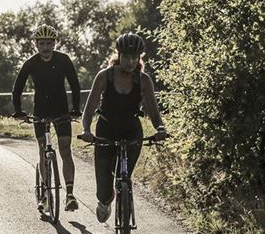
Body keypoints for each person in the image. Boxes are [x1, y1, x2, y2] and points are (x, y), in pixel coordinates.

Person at [79, 32, 168, 223]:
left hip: (131, 131)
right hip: (106, 131)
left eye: (135, 57)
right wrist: (86, 130)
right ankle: (105, 201)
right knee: (103, 190)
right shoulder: (105, 76)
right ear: (118, 55)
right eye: (126, 57)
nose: (130, 62)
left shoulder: (143, 80)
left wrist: (160, 128)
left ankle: (125, 227)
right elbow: (89, 110)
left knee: (124, 178)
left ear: (140, 58)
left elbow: (154, 112)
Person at [12, 24, 82, 211]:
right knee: (43, 149)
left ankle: (69, 194)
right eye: (42, 43)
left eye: (49, 43)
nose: (45, 47)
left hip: (61, 110)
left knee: (65, 149)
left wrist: (76, 109)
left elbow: (75, 85)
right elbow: (17, 89)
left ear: (54, 44)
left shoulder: (63, 60)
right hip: (40, 110)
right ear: (36, 44)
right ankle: (44, 191)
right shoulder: (31, 63)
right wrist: (18, 111)